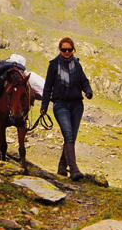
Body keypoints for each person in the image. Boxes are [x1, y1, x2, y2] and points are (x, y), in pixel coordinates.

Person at [40, 37, 93, 181]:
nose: (67, 52)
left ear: (73, 50)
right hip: (60, 105)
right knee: (68, 134)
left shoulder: (77, 65)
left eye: (69, 49)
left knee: (71, 137)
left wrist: (88, 91)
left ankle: (62, 166)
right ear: (60, 50)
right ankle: (74, 169)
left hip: (77, 105)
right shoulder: (53, 65)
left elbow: (84, 81)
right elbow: (47, 88)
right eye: (64, 50)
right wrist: (44, 105)